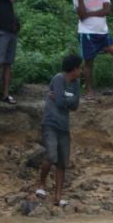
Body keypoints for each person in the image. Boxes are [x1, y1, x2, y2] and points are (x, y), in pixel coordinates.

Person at [35, 54, 82, 207]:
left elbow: (75, 105)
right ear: (74, 69)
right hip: (51, 123)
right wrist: (66, 100)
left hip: (64, 127)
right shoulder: (58, 79)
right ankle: (41, 184)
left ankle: (57, 196)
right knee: (51, 155)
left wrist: (63, 99)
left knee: (62, 163)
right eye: (79, 68)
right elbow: (64, 101)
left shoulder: (76, 83)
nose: (81, 70)